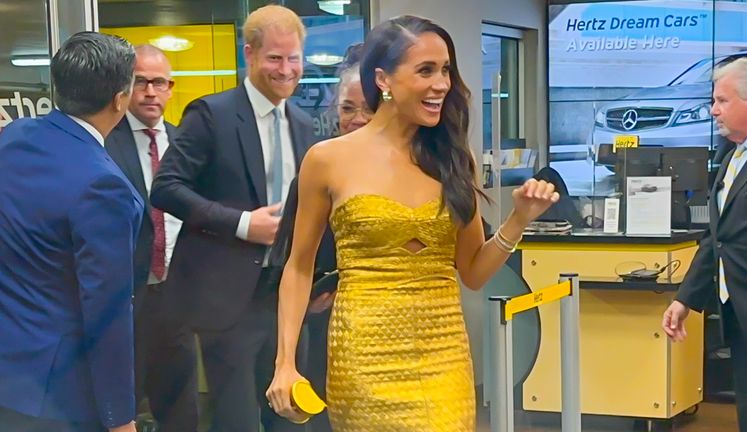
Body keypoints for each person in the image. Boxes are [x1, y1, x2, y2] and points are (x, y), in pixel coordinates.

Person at [266, 15, 559, 431]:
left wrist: (518, 219)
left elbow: (473, 273)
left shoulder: (454, 160)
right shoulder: (328, 160)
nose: (441, 84)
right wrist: (285, 363)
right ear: (383, 79)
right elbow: (298, 267)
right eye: (426, 70)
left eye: (445, 70)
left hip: (445, 357)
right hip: (363, 356)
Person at [150, 5, 317, 432]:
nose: (286, 70)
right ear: (250, 54)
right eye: (275, 58)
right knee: (236, 419)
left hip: (286, 297)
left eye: (293, 58)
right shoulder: (212, 114)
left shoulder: (303, 124)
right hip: (229, 301)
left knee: (291, 416)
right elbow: (166, 188)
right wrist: (243, 224)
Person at [0, 32, 140, 432]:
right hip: (59, 397)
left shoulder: (15, 137)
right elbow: (107, 311)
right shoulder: (104, 187)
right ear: (119, 98)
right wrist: (120, 417)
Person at [268, 43, 370, 432]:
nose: (357, 120)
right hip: (325, 334)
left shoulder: (418, 175)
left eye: (368, 109)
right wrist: (307, 305)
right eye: (347, 109)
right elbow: (289, 264)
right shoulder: (316, 172)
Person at [662, 57, 747, 432]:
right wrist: (684, 298)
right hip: (743, 317)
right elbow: (718, 238)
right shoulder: (730, 156)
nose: (713, 110)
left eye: (722, 101)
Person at [105, 44, 198, 431]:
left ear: (171, 88)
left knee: (181, 407)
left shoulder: (186, 143)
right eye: (140, 82)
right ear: (125, 88)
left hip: (178, 296)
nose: (150, 92)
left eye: (159, 83)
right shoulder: (105, 143)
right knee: (122, 403)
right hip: (127, 297)